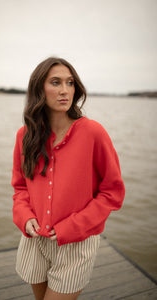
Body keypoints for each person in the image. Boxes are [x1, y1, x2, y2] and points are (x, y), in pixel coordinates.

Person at [11, 57, 125, 300]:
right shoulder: (25, 135)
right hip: (33, 239)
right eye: (55, 82)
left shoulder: (93, 132)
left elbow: (112, 193)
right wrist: (24, 216)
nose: (65, 90)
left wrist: (73, 226)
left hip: (76, 243)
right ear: (38, 89)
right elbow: (20, 186)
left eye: (70, 83)